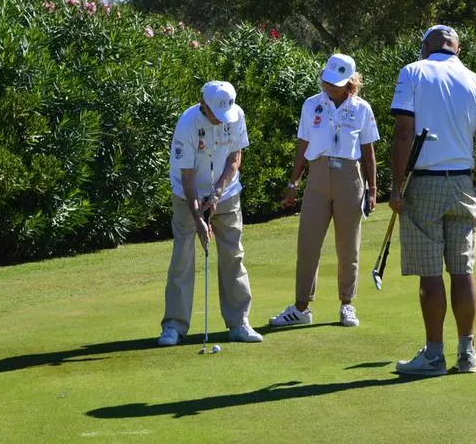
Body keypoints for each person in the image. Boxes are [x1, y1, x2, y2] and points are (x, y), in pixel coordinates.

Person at [389, 25, 476, 375]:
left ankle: (434, 354)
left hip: (424, 183)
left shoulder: (413, 72)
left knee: (431, 273)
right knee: (462, 270)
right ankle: (467, 353)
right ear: (457, 49)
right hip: (464, 184)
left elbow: (404, 133)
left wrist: (396, 185)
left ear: (426, 46)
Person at [269, 53, 380, 328]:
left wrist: (373, 188)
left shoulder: (362, 108)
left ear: (351, 83)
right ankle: (301, 307)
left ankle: (347, 305)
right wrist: (293, 183)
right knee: (308, 245)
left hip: (350, 179)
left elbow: (368, 152)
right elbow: (302, 145)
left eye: (336, 83)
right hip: (317, 178)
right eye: (327, 81)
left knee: (348, 247)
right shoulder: (311, 105)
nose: (329, 87)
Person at [157, 80, 263, 346]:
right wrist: (199, 221)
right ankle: (174, 326)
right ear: (204, 104)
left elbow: (235, 158)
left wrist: (217, 193)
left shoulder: (235, 115)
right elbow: (188, 175)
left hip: (226, 193)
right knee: (183, 257)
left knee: (233, 255)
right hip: (187, 194)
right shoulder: (187, 124)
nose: (220, 118)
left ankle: (239, 322)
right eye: (215, 112)